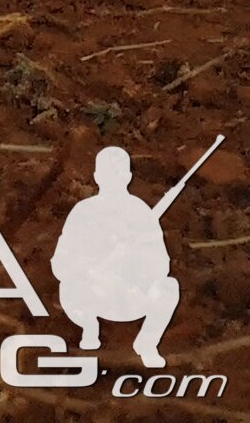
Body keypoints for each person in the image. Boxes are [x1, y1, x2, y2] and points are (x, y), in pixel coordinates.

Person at [52, 144, 183, 369]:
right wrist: (93, 264)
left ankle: (147, 343)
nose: (113, 178)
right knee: (71, 288)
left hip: (128, 295)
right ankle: (89, 329)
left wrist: (135, 256)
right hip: (91, 294)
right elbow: (60, 262)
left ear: (128, 176)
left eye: (119, 172)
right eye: (107, 172)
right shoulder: (84, 211)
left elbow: (161, 265)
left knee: (169, 287)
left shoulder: (141, 212)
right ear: (97, 176)